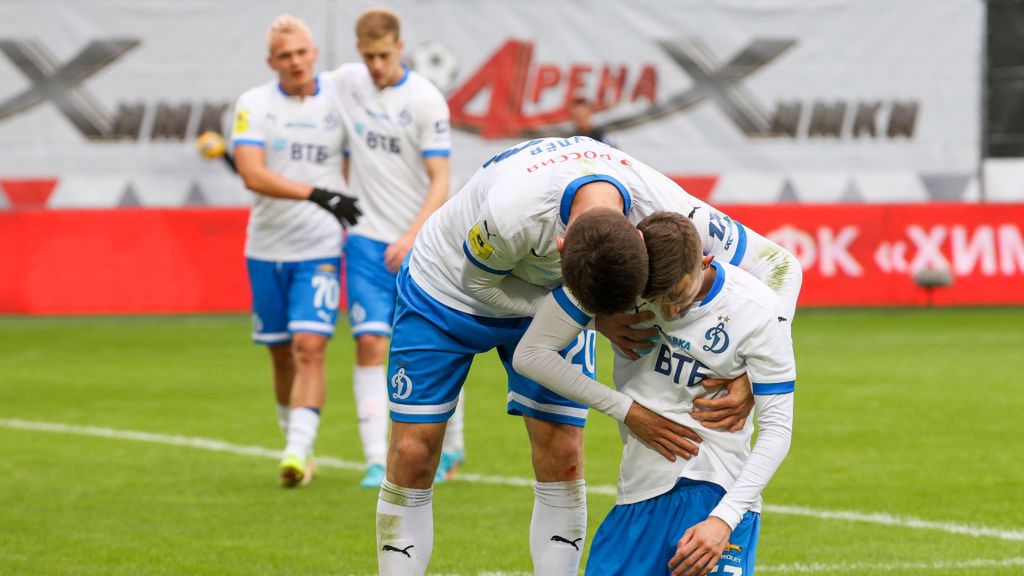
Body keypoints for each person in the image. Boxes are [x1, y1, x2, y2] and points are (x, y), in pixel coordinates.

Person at [375, 136, 801, 575]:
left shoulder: (665, 205)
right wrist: (595, 321)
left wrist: (757, 370)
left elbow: (782, 267)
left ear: (638, 236)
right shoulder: (511, 212)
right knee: (414, 451)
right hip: (447, 288)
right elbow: (480, 284)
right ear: (560, 245)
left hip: (562, 293)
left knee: (563, 451)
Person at [514, 211, 796, 575]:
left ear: (705, 261)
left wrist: (723, 519)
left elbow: (778, 430)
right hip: (639, 492)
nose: (670, 310)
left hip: (717, 494)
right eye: (657, 298)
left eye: (679, 295)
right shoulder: (625, 283)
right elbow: (531, 354)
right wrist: (625, 406)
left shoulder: (756, 311)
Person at [322, 7, 462, 489]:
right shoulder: (345, 82)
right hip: (364, 242)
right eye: (368, 57)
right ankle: (375, 460)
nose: (376, 65)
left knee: (434, 344)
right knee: (368, 343)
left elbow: (440, 180)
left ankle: (451, 448)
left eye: (383, 55)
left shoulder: (425, 100)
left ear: (400, 47)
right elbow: (302, 90)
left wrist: (411, 235)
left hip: (421, 245)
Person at [230, 14, 360, 488]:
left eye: (301, 52)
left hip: (319, 246)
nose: (295, 62)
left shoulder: (339, 100)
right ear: (272, 62)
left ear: (314, 54)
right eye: (285, 56)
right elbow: (251, 173)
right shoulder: (255, 104)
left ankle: (296, 450)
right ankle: (297, 447)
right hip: (266, 246)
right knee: (281, 354)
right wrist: (318, 193)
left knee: (311, 347)